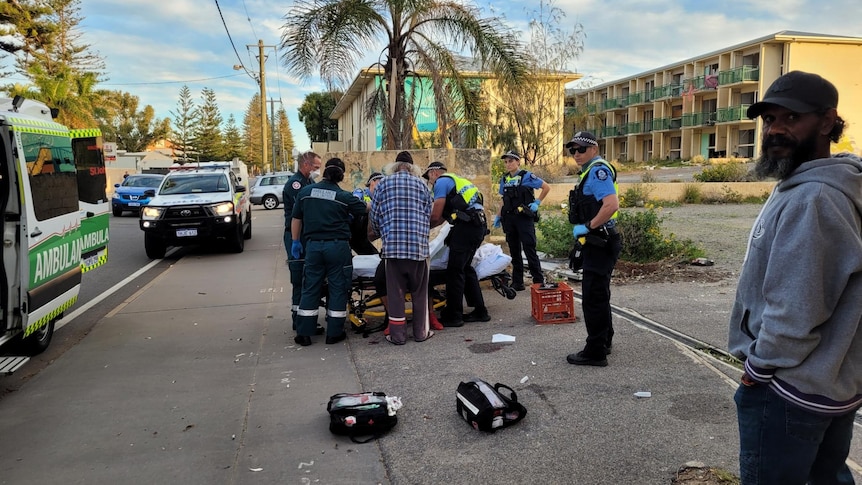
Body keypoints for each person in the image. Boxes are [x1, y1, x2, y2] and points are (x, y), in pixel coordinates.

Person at [727, 70, 862, 484]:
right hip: (831, 381)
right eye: (770, 119)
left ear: (827, 122)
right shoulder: (813, 183)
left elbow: (797, 305)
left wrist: (760, 368)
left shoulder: (814, 196)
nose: (775, 130)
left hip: (790, 388)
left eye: (791, 118)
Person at [289, 157, 366, 346]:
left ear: (324, 173)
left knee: (311, 287)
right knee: (338, 287)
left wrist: (295, 242)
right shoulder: (344, 197)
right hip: (337, 247)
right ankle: (334, 333)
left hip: (313, 247)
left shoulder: (306, 192)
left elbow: (296, 218)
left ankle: (304, 333)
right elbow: (365, 209)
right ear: (341, 175)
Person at [564, 131, 621, 367]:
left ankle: (595, 351)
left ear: (594, 149)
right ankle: (604, 340)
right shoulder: (589, 172)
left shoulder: (598, 171)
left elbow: (611, 204)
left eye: (582, 149)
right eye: (573, 150)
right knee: (599, 293)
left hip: (600, 240)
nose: (577, 154)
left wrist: (587, 227)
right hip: (601, 240)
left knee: (593, 298)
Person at [370, 152, 435, 344]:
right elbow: (428, 215)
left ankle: (398, 336)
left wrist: (383, 232)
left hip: (392, 249)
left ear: (395, 166)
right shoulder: (422, 186)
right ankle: (421, 333)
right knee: (419, 293)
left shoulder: (382, 184)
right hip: (418, 249)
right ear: (413, 168)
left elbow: (374, 217)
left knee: (396, 294)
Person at [424, 161, 490, 327]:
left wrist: (422, 227)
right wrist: (430, 227)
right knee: (466, 268)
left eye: (429, 178)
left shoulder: (441, 182)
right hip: (477, 225)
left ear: (434, 172)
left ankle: (454, 315)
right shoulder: (457, 182)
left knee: (454, 271)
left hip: (467, 227)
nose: (430, 182)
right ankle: (480, 311)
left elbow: (435, 214)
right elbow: (443, 218)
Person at [493, 150, 550, 291]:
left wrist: (537, 202)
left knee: (529, 249)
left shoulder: (527, 176)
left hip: (524, 218)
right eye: (506, 162)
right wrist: (498, 216)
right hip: (509, 219)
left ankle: (538, 281)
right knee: (514, 251)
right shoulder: (504, 179)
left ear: (518, 162)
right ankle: (518, 282)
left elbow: (546, 187)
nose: (508, 164)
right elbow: (503, 200)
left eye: (511, 161)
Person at [284, 151, 321, 331]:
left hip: (306, 234)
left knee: (309, 278)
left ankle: (307, 319)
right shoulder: (296, 184)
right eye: (316, 167)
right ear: (306, 165)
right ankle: (298, 320)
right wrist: (296, 240)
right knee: (299, 278)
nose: (317, 171)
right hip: (295, 236)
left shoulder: (308, 181)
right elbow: (302, 210)